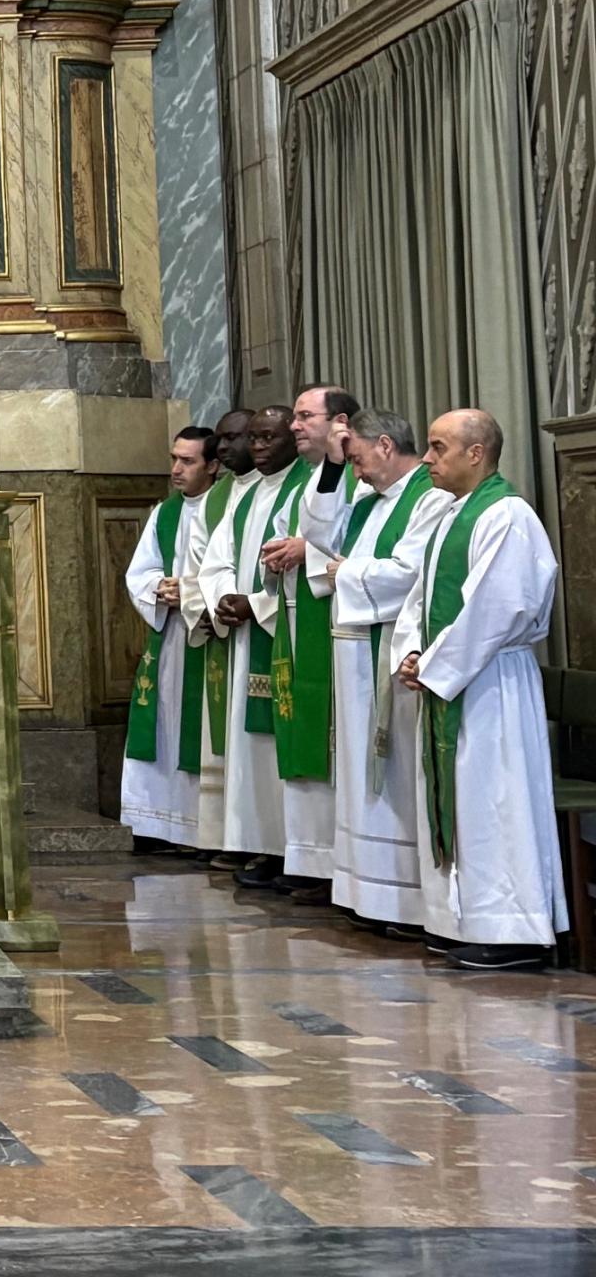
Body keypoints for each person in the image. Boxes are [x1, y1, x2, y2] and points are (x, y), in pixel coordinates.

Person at [387, 409, 567, 969]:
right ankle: (457, 919)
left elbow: (499, 606)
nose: (427, 459)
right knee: (461, 800)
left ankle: (513, 929)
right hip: (457, 676)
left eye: (438, 448)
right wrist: (414, 653)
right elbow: (420, 596)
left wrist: (436, 666)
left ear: (475, 453)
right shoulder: (448, 515)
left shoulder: (507, 515)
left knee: (495, 800)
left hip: (491, 685)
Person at [308, 408, 449, 933]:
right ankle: (368, 893)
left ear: (386, 445)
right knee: (360, 771)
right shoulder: (368, 500)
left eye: (361, 460)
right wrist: (331, 466)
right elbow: (318, 532)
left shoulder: (428, 500)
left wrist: (347, 571)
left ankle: (405, 901)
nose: (358, 472)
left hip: (392, 652)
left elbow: (411, 573)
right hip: (354, 655)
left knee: (393, 774)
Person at [253, 386, 360, 890]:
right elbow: (297, 534)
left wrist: (305, 552)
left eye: (304, 416)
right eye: (293, 416)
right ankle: (310, 859)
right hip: (299, 618)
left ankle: (335, 864)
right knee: (304, 735)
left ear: (338, 421)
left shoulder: (356, 472)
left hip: (341, 626)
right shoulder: (310, 479)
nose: (295, 426)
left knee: (333, 741)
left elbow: (354, 543)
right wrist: (278, 554)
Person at [200, 404, 297, 886]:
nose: (258, 447)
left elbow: (311, 566)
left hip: (282, 636)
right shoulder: (243, 497)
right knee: (249, 751)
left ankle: (286, 850)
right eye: (253, 439)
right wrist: (223, 599)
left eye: (267, 438)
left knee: (276, 750)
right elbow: (216, 560)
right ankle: (258, 843)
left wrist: (256, 605)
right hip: (244, 637)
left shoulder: (302, 491)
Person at [120, 425, 220, 854]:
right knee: (164, 719)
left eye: (188, 461)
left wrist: (193, 593)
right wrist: (158, 589)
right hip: (171, 633)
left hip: (210, 634)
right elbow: (139, 571)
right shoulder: (165, 512)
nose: (176, 469)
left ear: (213, 466)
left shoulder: (226, 508)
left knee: (201, 726)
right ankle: (159, 823)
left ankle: (204, 829)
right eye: (174, 459)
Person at [187, 407, 257, 854]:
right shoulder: (217, 497)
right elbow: (203, 563)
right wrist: (212, 605)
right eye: (221, 440)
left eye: (236, 438)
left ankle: (259, 840)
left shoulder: (286, 489)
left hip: (263, 625)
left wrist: (251, 603)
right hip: (226, 629)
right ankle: (231, 839)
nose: (225, 448)